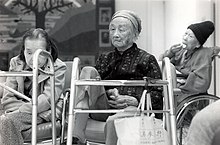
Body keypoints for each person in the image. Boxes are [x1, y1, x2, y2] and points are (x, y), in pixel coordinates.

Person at [72, 10, 163, 145]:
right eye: (112, 29)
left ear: (135, 34)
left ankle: (76, 136)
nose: (115, 34)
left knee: (113, 121)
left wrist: (134, 99)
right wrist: (108, 91)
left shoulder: (147, 59)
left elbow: (158, 95)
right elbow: (92, 89)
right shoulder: (104, 58)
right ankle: (76, 137)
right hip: (104, 107)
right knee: (88, 71)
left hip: (133, 109)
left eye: (122, 30)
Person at [0, 28, 67, 145]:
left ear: (48, 51)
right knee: (6, 120)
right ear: (23, 50)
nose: (32, 59)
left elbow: (47, 100)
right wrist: (23, 109)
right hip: (24, 110)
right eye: (29, 52)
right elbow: (7, 98)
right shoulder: (16, 63)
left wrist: (21, 110)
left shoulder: (58, 67)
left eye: (38, 53)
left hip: (45, 112)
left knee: (6, 121)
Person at [159, 21, 218, 104]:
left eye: (190, 36)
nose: (185, 38)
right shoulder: (181, 52)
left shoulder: (203, 54)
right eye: (185, 34)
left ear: (198, 44)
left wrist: (181, 82)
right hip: (176, 92)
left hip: (191, 97)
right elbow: (161, 65)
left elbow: (201, 82)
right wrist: (170, 53)